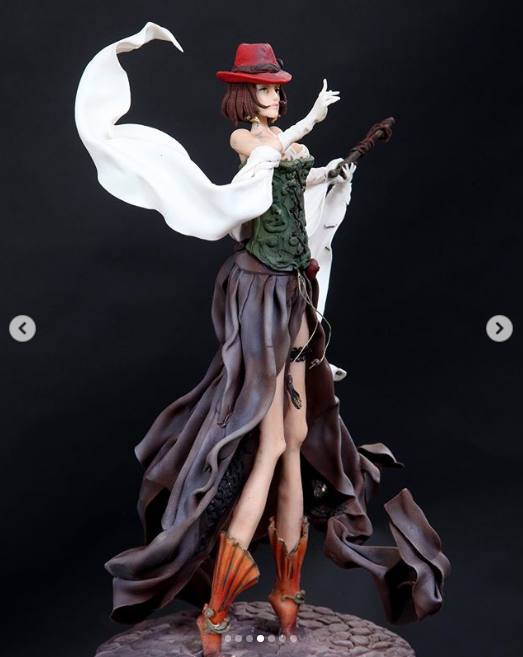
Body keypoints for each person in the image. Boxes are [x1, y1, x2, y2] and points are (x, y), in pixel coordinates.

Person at [75, 23, 449, 657]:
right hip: (259, 294)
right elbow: (270, 162)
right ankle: (219, 607)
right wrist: (309, 123)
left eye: (279, 89)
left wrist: (331, 169)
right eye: (267, 89)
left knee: (298, 435)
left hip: (293, 288)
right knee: (271, 439)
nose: (275, 96)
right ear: (245, 95)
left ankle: (287, 589)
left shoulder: (278, 142)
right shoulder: (247, 139)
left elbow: (293, 180)